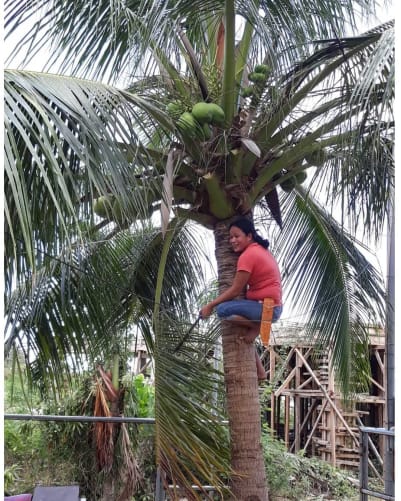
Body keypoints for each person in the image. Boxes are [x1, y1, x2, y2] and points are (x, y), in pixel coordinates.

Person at [200, 217, 282, 381]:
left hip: (267, 309)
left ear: (249, 236)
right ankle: (260, 371)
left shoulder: (248, 255)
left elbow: (236, 289)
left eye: (237, 236)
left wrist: (210, 305)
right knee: (244, 333)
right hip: (266, 306)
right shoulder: (260, 250)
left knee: (223, 310)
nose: (232, 240)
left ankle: (258, 325)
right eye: (230, 237)